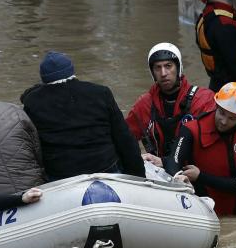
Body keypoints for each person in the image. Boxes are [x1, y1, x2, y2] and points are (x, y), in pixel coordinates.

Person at [21, 51, 144, 180]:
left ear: (43, 78)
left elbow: (32, 148)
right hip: (106, 169)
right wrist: (139, 177)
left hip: (60, 177)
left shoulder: (33, 102)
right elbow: (125, 139)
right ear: (72, 71)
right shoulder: (100, 93)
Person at [164, 82, 236, 217]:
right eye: (221, 113)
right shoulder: (191, 128)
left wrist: (200, 176)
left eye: (232, 118)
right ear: (216, 105)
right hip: (200, 210)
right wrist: (178, 177)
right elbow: (174, 160)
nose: (224, 121)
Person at [126, 42, 215, 164]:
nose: (163, 73)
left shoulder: (203, 99)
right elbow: (125, 139)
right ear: (152, 73)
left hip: (193, 171)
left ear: (178, 68)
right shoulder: (144, 104)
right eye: (158, 68)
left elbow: (215, 145)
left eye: (168, 66)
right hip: (158, 172)